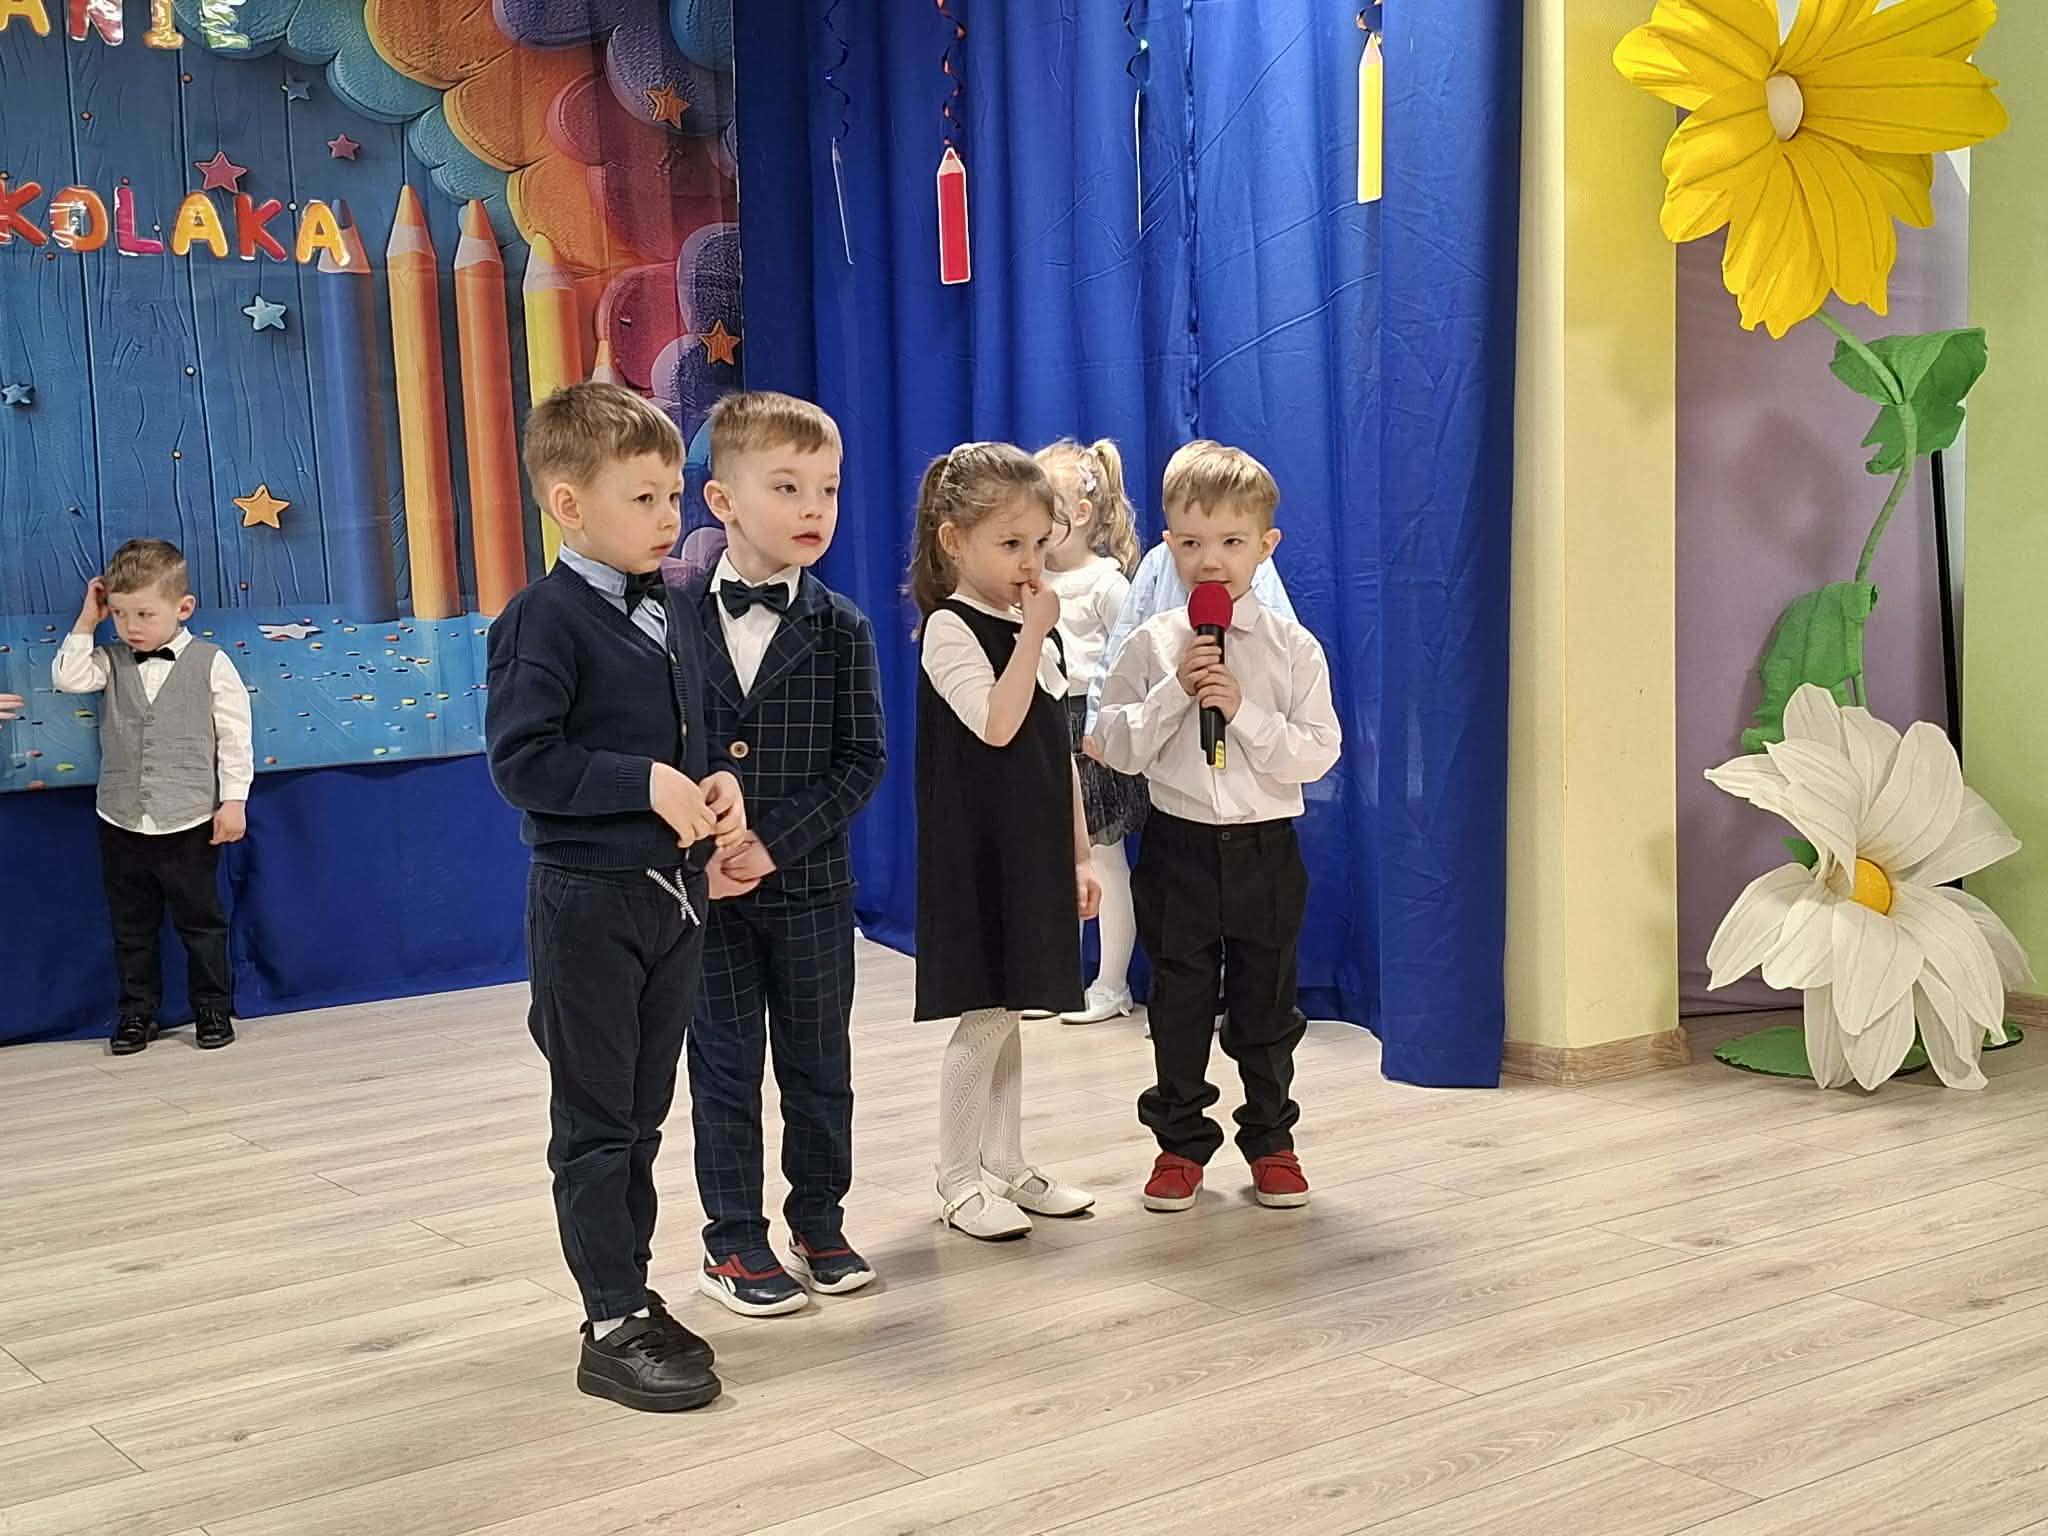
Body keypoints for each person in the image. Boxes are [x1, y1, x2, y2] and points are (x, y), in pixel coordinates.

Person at [486, 381, 746, 1414]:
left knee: (642, 1113)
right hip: (587, 903)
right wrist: (640, 784)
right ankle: (608, 1320)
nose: (668, 515)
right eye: (643, 499)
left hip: (673, 901)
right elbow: (523, 762)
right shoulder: (538, 622)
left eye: (671, 494)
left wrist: (714, 785)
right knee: (595, 1120)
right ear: (568, 505)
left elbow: (691, 735)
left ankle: (629, 1290)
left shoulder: (675, 607)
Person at [1094, 441, 1341, 1214]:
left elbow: (1318, 752)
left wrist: (1244, 711)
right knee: (1178, 1003)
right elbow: (1115, 745)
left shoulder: (1294, 650)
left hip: (1266, 851)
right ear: (1169, 545)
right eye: (1193, 542)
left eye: (1232, 541)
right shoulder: (1152, 643)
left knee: (1267, 1006)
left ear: (1265, 546)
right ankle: (1178, 1144)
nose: (1212, 560)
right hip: (1178, 848)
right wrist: (1176, 692)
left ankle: (1271, 1140)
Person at [683, 392, 887, 1317]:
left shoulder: (843, 625)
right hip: (706, 896)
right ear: (722, 501)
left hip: (810, 888)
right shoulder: (670, 616)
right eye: (788, 487)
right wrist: (704, 846)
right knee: (723, 1066)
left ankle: (819, 1219)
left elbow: (861, 760)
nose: (814, 508)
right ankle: (732, 1238)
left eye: (828, 489)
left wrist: (773, 843)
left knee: (817, 1064)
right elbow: (661, 750)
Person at [910, 441, 1101, 1241]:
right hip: (977, 853)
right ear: (955, 541)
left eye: (1039, 543)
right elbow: (996, 723)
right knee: (985, 1012)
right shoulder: (949, 628)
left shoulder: (1035, 629)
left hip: (1033, 847)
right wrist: (1032, 637)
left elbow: (1055, 748)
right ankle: (957, 1178)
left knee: (1012, 1007)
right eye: (1010, 543)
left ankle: (1007, 1162)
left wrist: (1080, 853)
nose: (1030, 562)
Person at [53, 540, 252, 1055]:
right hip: (120, 820)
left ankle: (211, 1007)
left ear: (183, 608)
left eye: (144, 614)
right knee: (131, 926)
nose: (131, 627)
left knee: (201, 923)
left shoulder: (211, 662)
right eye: (120, 614)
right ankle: (137, 1013)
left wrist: (233, 800)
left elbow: (235, 736)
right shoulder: (109, 660)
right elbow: (67, 678)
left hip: (188, 820)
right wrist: (88, 621)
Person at [1036, 439, 1145, 1026]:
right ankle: (1058, 979)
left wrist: (1106, 727)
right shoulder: (1031, 578)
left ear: (1079, 514)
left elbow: (1130, 662)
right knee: (1054, 860)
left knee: (1105, 861)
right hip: (1044, 722)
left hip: (1091, 730)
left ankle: (1111, 983)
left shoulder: (1106, 583)